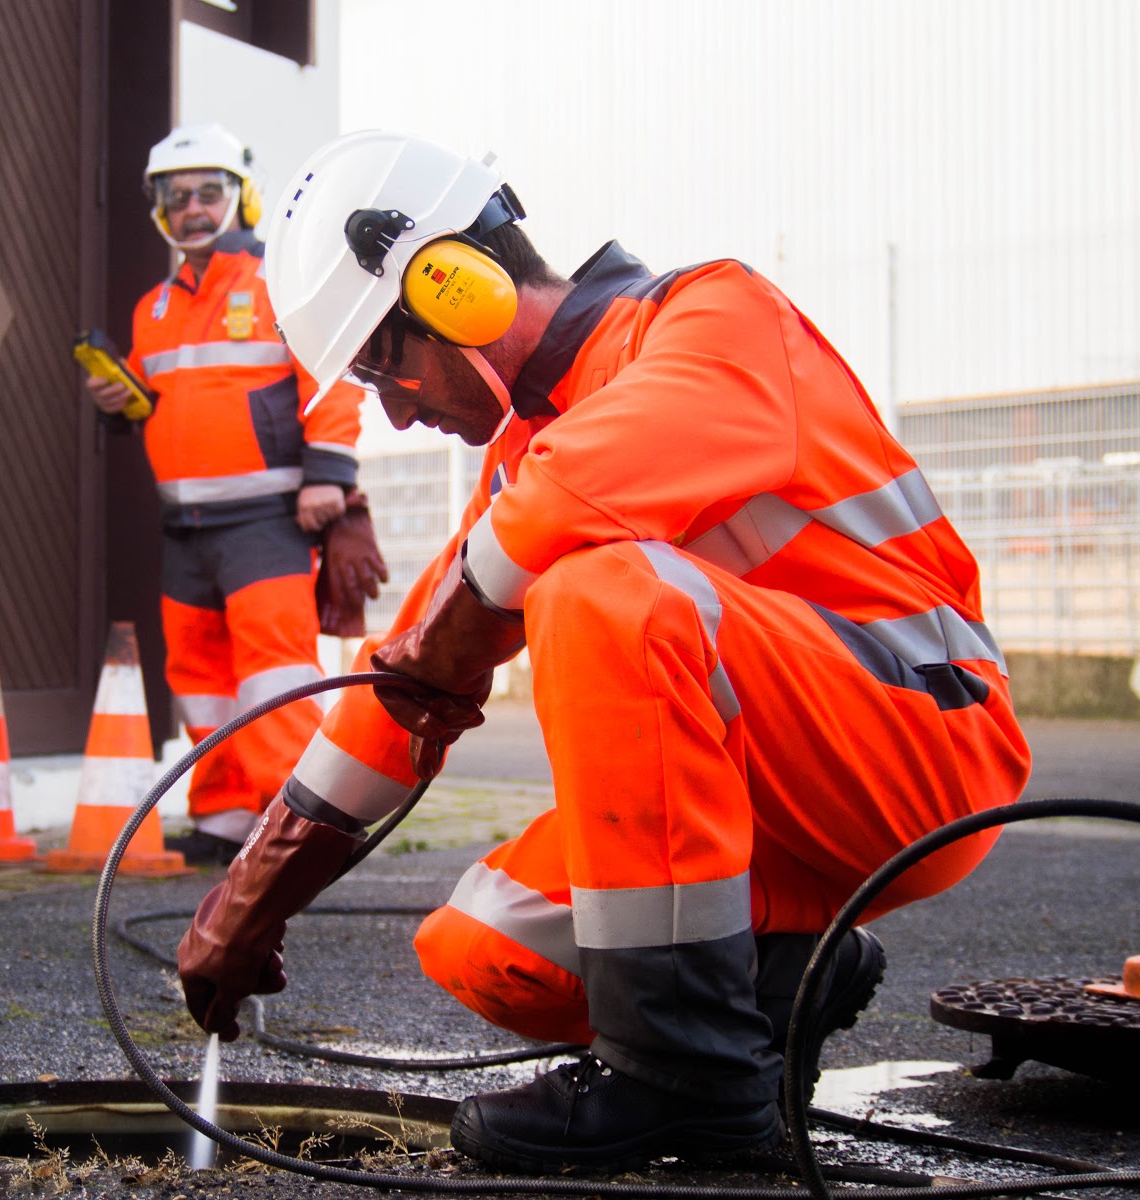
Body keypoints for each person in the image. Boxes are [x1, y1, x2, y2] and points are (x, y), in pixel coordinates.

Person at [175, 130, 1031, 1172]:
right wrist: (249, 902)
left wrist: (457, 629)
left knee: (597, 590)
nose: (391, 406)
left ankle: (691, 1082)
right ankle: (789, 975)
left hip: (922, 756)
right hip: (772, 815)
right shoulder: (525, 466)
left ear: (456, 289)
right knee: (489, 943)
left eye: (381, 362)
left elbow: (556, 518)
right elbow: (400, 686)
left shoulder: (714, 320)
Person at [86, 123, 384, 866]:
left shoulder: (276, 281)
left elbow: (334, 380)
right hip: (185, 522)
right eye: (176, 195)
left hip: (266, 520)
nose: (191, 207)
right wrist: (116, 404)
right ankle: (221, 816)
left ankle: (297, 828)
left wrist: (329, 476)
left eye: (208, 191)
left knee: (274, 675)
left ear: (241, 195)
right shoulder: (151, 308)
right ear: (159, 207)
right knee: (199, 678)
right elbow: (160, 407)